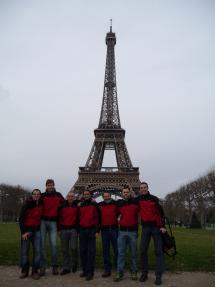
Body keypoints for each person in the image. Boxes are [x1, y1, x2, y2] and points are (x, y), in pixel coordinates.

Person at [138, 182, 166, 285]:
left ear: (148, 188)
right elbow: (126, 201)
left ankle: (158, 276)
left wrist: (163, 226)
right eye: (141, 188)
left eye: (145, 187)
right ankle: (144, 274)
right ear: (139, 189)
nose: (143, 189)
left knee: (158, 252)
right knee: (142, 250)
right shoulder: (138, 199)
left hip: (156, 228)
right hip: (145, 228)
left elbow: (161, 214)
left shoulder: (154, 199)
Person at [114, 186, 139, 282]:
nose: (125, 194)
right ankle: (120, 272)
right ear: (122, 193)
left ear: (130, 193)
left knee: (133, 253)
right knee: (121, 253)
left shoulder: (136, 202)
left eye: (127, 192)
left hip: (133, 231)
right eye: (124, 192)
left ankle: (134, 271)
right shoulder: (119, 203)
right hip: (122, 232)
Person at [40, 179, 64, 275]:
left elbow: (67, 203)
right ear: (46, 186)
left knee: (53, 245)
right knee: (42, 245)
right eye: (48, 185)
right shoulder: (42, 196)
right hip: (43, 222)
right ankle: (43, 267)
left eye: (52, 185)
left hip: (53, 222)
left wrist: (82, 201)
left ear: (54, 185)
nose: (50, 186)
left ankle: (54, 266)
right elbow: (34, 203)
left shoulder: (58, 195)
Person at [19, 189, 43, 280]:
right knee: (24, 252)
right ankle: (25, 270)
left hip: (37, 231)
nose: (36, 195)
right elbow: (21, 219)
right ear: (32, 195)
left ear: (40, 195)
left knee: (37, 252)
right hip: (27, 231)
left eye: (38, 194)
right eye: (34, 194)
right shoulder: (26, 204)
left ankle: (35, 271)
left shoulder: (41, 204)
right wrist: (24, 232)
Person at [78, 190, 100, 281]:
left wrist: (97, 231)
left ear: (91, 195)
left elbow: (98, 218)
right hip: (82, 230)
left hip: (91, 230)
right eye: (85, 194)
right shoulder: (80, 205)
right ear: (83, 195)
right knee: (83, 252)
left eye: (88, 194)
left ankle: (90, 272)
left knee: (91, 252)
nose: (86, 195)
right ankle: (85, 270)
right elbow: (78, 218)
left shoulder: (95, 205)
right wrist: (78, 230)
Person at [58, 191, 79, 275]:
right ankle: (66, 267)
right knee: (64, 250)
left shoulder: (77, 206)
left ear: (74, 198)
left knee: (74, 248)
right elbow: (58, 218)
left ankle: (74, 264)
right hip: (63, 230)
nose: (70, 198)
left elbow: (78, 219)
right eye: (69, 196)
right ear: (67, 197)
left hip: (73, 230)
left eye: (72, 196)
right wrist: (59, 230)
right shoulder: (61, 206)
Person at [98, 192, 118, 277]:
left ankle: (118, 268)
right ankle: (107, 269)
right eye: (105, 196)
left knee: (116, 250)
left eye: (108, 196)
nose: (106, 197)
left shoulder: (116, 204)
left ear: (110, 196)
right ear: (103, 197)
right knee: (105, 250)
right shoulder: (99, 205)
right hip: (104, 230)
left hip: (114, 229)